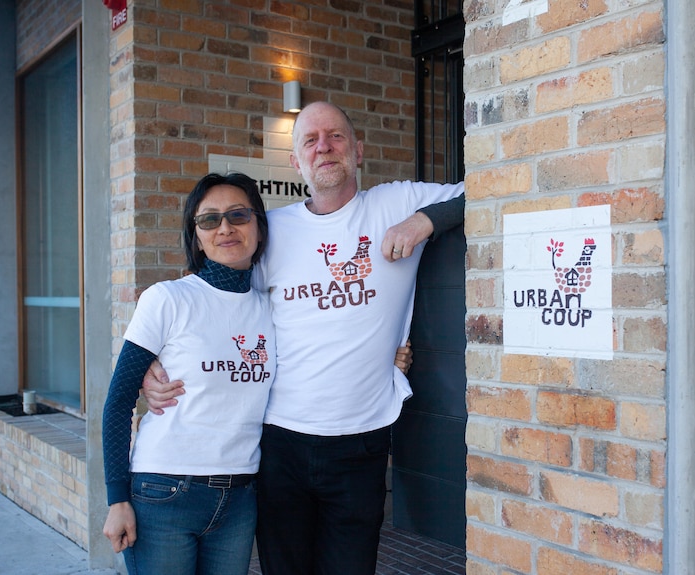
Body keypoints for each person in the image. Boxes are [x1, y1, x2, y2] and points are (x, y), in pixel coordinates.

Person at [144, 101, 465, 575]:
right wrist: (151, 363)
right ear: (296, 163)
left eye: (335, 136)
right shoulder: (273, 230)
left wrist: (425, 222)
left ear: (358, 150)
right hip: (279, 444)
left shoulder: (396, 202)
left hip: (362, 442)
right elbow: (211, 298)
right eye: (310, 141)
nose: (324, 148)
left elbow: (490, 185)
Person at [102, 172, 275, 575]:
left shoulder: (272, 307)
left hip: (239, 498)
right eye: (209, 220)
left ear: (260, 227)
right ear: (196, 236)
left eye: (238, 215)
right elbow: (118, 402)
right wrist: (116, 498)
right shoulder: (168, 299)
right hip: (164, 493)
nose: (226, 228)